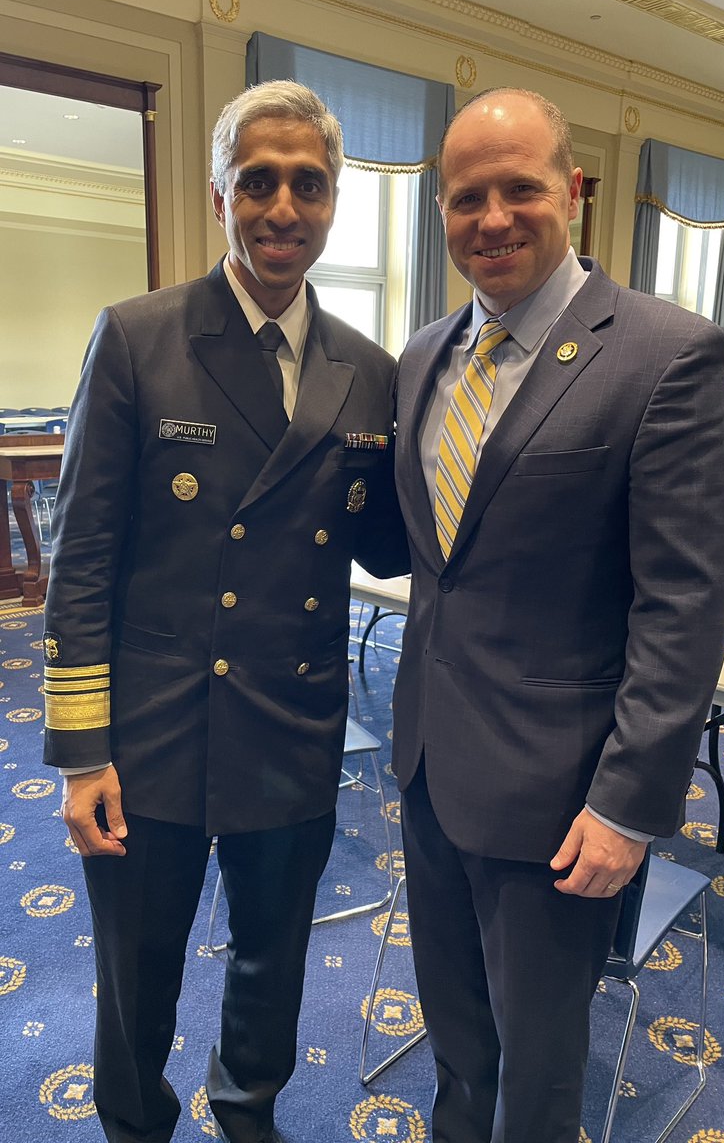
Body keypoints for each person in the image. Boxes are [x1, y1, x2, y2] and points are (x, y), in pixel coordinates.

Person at [42, 79, 407, 1143]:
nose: (282, 207)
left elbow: (389, 539)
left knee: (272, 968)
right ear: (220, 197)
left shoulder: (371, 373)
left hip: (291, 728)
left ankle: (249, 1115)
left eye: (308, 184)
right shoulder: (139, 338)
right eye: (259, 182)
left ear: (335, 200)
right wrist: (78, 751)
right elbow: (80, 561)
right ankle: (135, 1127)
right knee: (136, 983)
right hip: (148, 738)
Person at [391, 87, 724, 1143]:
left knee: (540, 1070)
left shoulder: (668, 353)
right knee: (455, 1040)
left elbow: (686, 602)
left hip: (563, 796)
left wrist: (631, 807)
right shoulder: (420, 359)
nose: (491, 217)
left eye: (520, 189)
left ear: (574, 192)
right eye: (465, 198)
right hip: (427, 768)